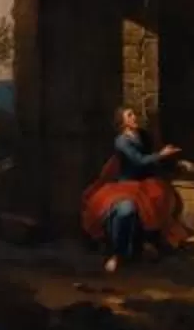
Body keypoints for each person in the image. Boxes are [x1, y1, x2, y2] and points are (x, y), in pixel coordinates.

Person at [80, 106, 188, 273]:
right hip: (125, 185)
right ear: (122, 122)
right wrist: (161, 155)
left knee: (158, 204)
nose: (134, 117)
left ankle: (141, 247)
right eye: (129, 115)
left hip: (145, 184)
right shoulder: (121, 141)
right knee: (126, 210)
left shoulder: (142, 135)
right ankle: (117, 254)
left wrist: (173, 160)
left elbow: (153, 156)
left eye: (134, 114)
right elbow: (139, 161)